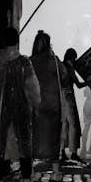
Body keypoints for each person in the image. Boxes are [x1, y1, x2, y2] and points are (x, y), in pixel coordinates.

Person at [0, 27, 41, 182]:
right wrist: (35, 104)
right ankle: (26, 179)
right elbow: (33, 87)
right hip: (21, 108)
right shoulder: (24, 62)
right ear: (16, 41)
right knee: (24, 141)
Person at [30, 31, 64, 162]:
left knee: (34, 136)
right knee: (53, 137)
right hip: (53, 105)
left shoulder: (29, 62)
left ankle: (31, 171)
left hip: (35, 105)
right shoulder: (55, 62)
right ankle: (55, 170)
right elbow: (64, 77)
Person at [60, 48, 85, 164]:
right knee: (74, 125)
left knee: (63, 125)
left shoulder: (60, 66)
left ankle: (62, 153)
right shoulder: (69, 68)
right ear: (71, 58)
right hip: (69, 96)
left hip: (60, 97)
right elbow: (79, 85)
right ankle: (74, 153)